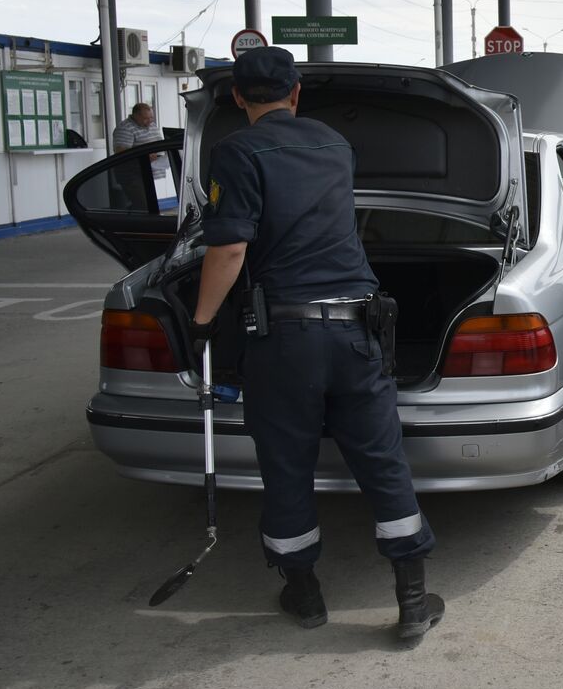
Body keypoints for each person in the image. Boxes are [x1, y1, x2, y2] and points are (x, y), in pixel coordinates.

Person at [190, 47, 444, 640]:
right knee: (382, 463)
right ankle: (412, 602)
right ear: (297, 92)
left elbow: (229, 249)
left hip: (284, 340)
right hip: (358, 330)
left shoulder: (236, 152)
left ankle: (305, 597)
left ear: (236, 99)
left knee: (286, 467)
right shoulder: (334, 145)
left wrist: (202, 321)